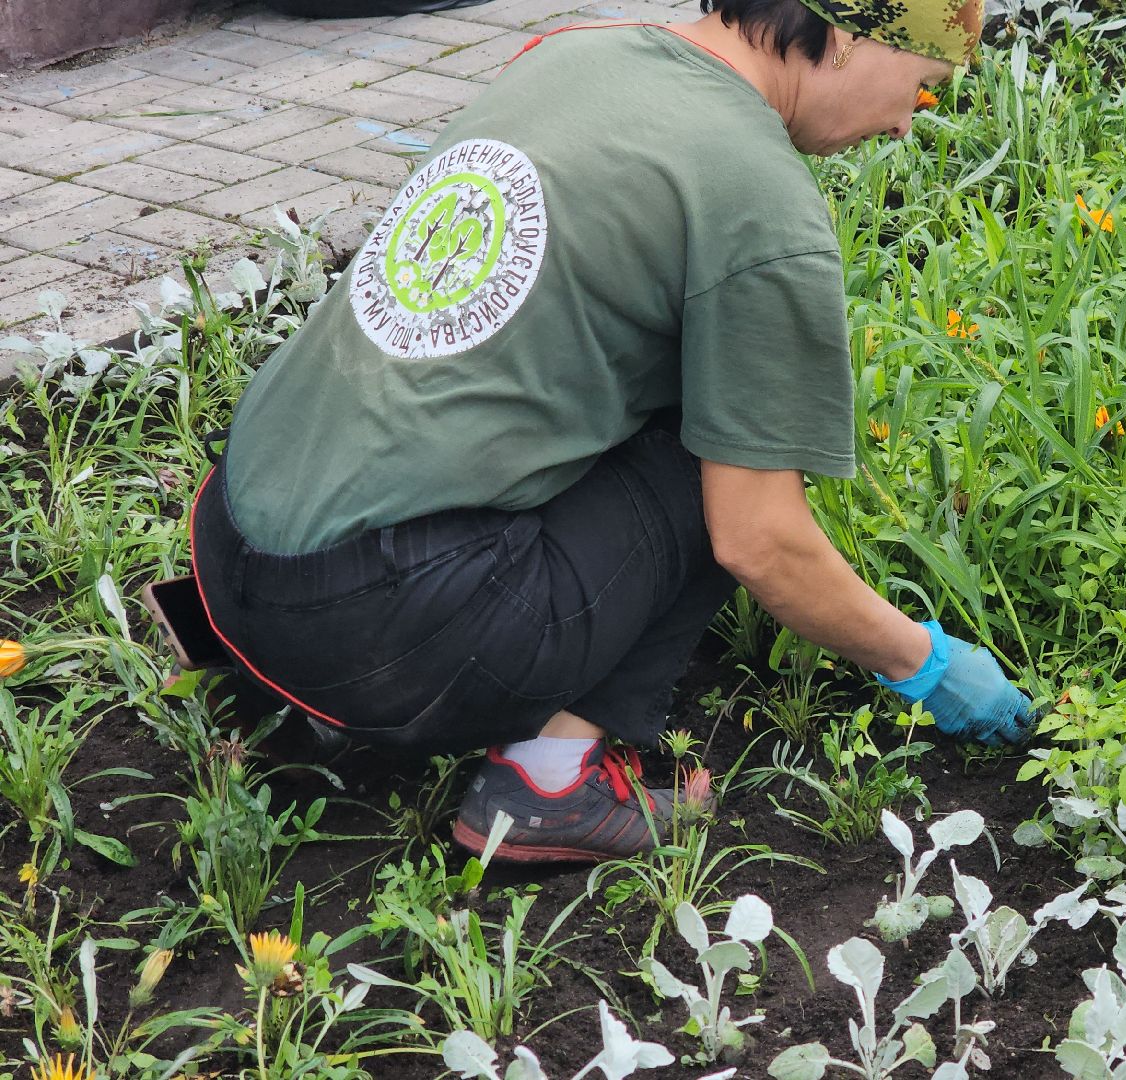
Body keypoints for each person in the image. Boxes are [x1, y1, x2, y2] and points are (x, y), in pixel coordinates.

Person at [188, 0, 1035, 865]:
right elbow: (759, 541)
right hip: (392, 629)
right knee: (730, 450)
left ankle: (285, 692)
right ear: (853, 36)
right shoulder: (756, 195)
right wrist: (918, 659)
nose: (903, 124)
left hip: (225, 558)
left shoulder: (578, 54)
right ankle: (548, 779)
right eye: (923, 88)